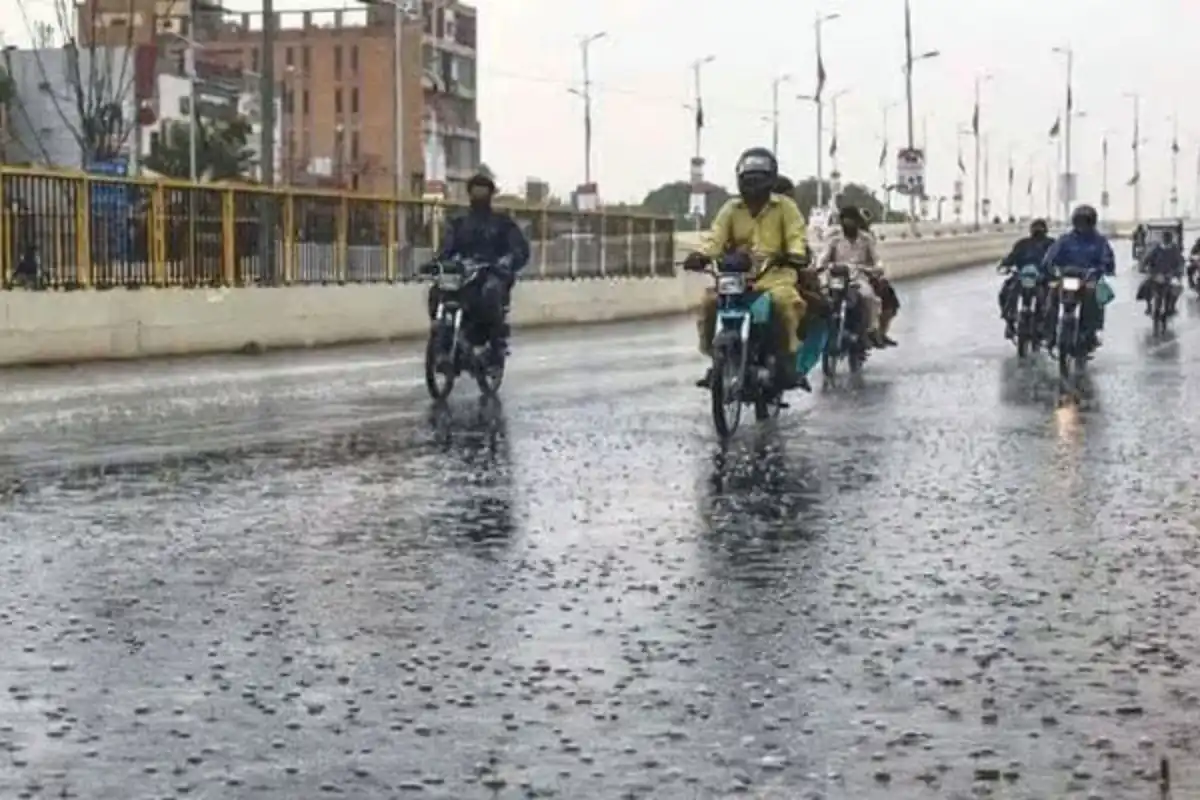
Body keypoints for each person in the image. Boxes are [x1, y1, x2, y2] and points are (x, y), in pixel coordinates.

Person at [685, 147, 809, 391]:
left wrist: (795, 254)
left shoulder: (785, 208)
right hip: (736, 277)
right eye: (748, 178)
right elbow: (715, 239)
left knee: (786, 303)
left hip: (775, 276)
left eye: (758, 179)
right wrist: (701, 256)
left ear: (770, 179)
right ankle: (716, 359)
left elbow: (796, 236)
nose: (753, 185)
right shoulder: (730, 209)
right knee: (709, 303)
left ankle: (786, 359)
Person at [423, 172, 530, 359]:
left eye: (483, 191)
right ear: (469, 194)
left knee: (491, 292)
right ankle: (443, 333)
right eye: (475, 191)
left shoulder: (502, 222)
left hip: (492, 272)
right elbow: (446, 248)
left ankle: (496, 343)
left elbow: (519, 249)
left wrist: (507, 262)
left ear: (490, 194)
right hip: (464, 273)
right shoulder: (459, 222)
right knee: (436, 291)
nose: (479, 195)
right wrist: (435, 263)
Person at [1041, 204, 1115, 350]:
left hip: (1088, 279)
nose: (1082, 226)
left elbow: (1107, 259)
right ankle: (1049, 333)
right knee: (1051, 297)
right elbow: (1050, 257)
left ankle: (1090, 332)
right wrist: (1050, 268)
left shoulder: (1099, 241)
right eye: (1080, 222)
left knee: (1093, 296)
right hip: (1066, 278)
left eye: (1085, 222)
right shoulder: (1065, 240)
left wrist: (1102, 269)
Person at [817, 205, 885, 347]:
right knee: (823, 298)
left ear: (857, 222)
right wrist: (820, 266)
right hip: (837, 278)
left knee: (868, 297)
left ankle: (871, 329)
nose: (848, 224)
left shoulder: (866, 239)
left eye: (852, 220)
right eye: (845, 221)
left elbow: (876, 258)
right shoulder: (834, 239)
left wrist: (877, 267)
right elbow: (823, 257)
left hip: (858, 278)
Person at [996, 218, 1056, 338]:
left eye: (1040, 229)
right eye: (1036, 229)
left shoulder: (1051, 244)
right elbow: (1011, 257)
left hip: (1043, 278)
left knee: (1051, 297)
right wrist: (1004, 265)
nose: (1038, 232)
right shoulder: (1022, 244)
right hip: (1021, 277)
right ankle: (1010, 319)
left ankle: (1046, 325)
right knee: (1005, 291)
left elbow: (1058, 259)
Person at [1137, 228, 1185, 315]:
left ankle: (1172, 306)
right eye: (1165, 237)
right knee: (1145, 286)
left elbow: (1181, 263)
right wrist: (1143, 268)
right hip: (1156, 275)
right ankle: (1148, 306)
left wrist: (1178, 272)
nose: (1166, 240)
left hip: (1170, 276)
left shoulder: (1175, 250)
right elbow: (1146, 260)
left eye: (1168, 238)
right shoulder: (1156, 249)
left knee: (1177, 288)